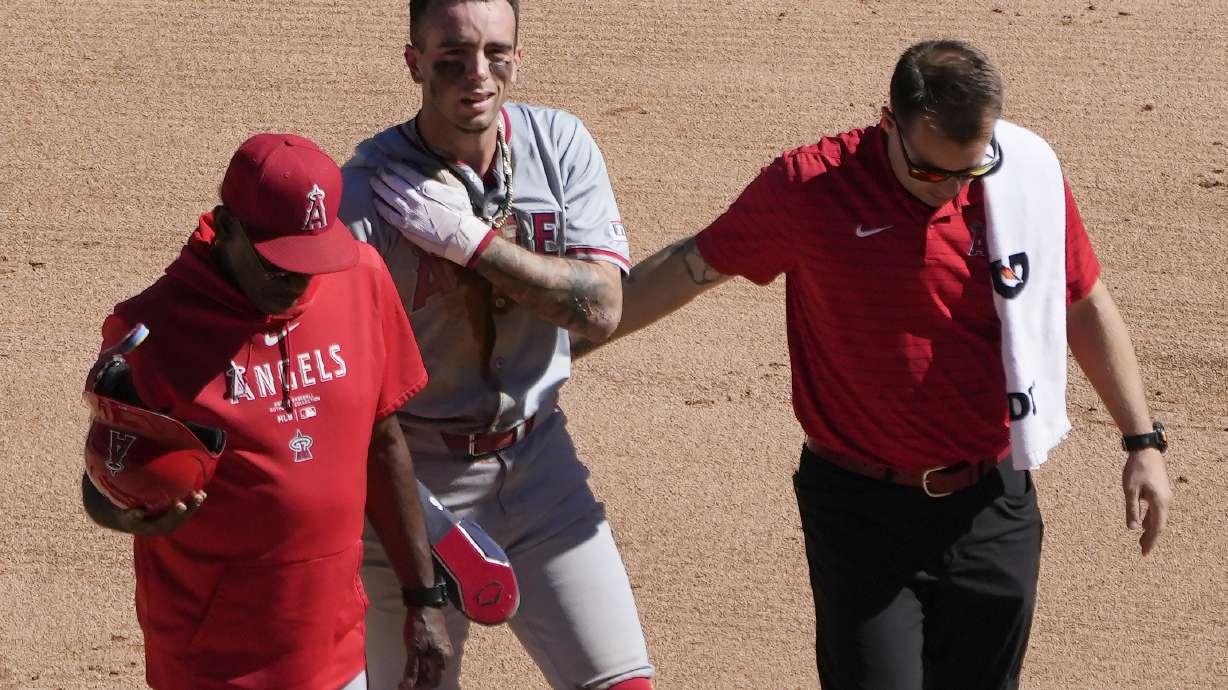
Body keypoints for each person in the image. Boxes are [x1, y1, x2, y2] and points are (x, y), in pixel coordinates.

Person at [575, 40, 1174, 690]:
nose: (948, 190)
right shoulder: (810, 189)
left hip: (992, 501)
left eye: (968, 172)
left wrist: (1142, 440)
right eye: (929, 172)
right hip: (860, 513)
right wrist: (562, 346)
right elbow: (692, 267)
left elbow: (1082, 303)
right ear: (887, 122)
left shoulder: (1022, 177)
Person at [336, 2, 655, 689]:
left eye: (496, 52)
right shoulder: (365, 195)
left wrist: (474, 246)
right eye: (451, 56)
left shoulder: (560, 146)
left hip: (541, 468)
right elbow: (338, 392)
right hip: (411, 489)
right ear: (414, 61)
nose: (477, 73)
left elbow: (602, 309)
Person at [80, 132, 452, 690]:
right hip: (212, 663)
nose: (298, 279)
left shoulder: (360, 280)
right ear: (227, 229)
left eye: (311, 258)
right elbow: (102, 479)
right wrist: (128, 512)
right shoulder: (154, 332)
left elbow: (382, 440)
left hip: (336, 650)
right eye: (277, 264)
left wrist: (424, 599)